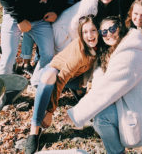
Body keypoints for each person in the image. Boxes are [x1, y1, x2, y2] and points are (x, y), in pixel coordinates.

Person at [66, 16, 142, 154]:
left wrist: (75, 114)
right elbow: (102, 76)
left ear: (121, 28)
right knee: (100, 113)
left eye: (112, 29)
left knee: (102, 118)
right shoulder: (117, 49)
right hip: (135, 103)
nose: (109, 34)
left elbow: (107, 89)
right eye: (104, 32)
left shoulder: (130, 55)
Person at [25, 16, 99, 154]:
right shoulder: (79, 53)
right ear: (81, 34)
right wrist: (50, 111)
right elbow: (61, 79)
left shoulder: (100, 44)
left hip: (77, 76)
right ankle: (34, 131)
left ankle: (77, 91)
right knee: (48, 78)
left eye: (93, 30)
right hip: (57, 71)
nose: (90, 35)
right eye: (85, 32)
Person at [53, 0, 119, 53]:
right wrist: (85, 47)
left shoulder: (109, 6)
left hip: (73, 35)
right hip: (63, 33)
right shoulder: (91, 3)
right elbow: (74, 26)